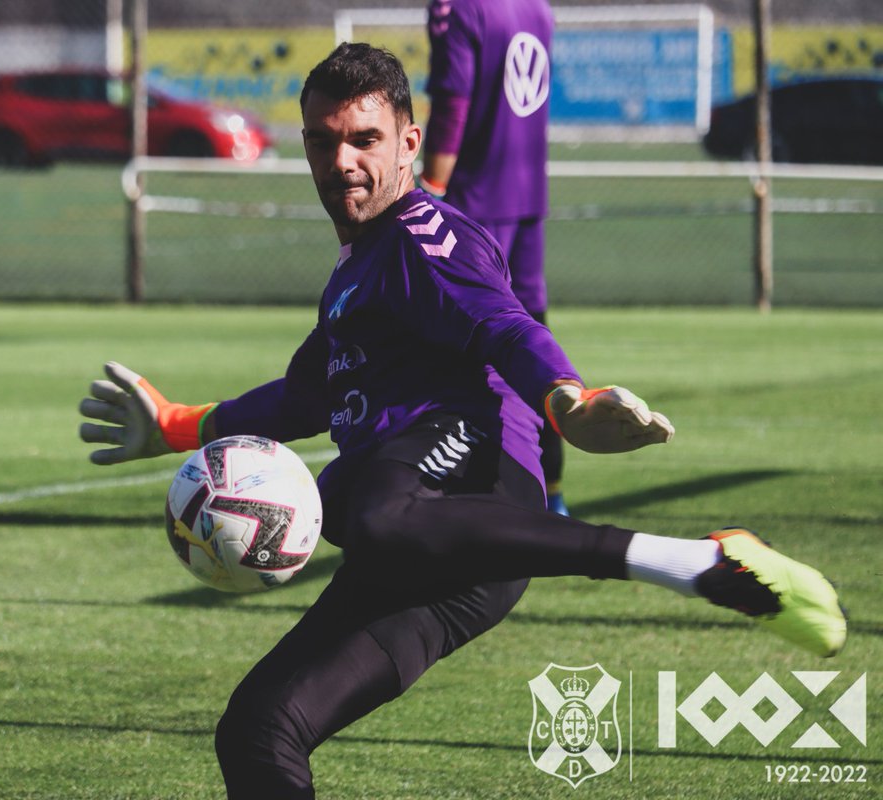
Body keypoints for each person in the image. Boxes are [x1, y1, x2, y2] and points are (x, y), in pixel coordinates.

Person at [78, 44, 845, 800]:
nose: (341, 159)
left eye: (364, 139)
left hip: (473, 484)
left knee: (361, 502)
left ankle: (699, 564)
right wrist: (174, 425)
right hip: (442, 565)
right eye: (323, 139)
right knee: (259, 727)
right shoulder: (354, 275)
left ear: (410, 142)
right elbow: (302, 399)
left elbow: (505, 327)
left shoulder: (421, 236)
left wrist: (565, 400)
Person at [420, 0, 570, 513]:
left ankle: (466, 489)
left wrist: (431, 191)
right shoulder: (537, 9)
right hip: (528, 196)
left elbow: (454, 102)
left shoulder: (460, 9)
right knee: (532, 338)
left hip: (474, 205)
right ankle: (552, 491)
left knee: (458, 352)